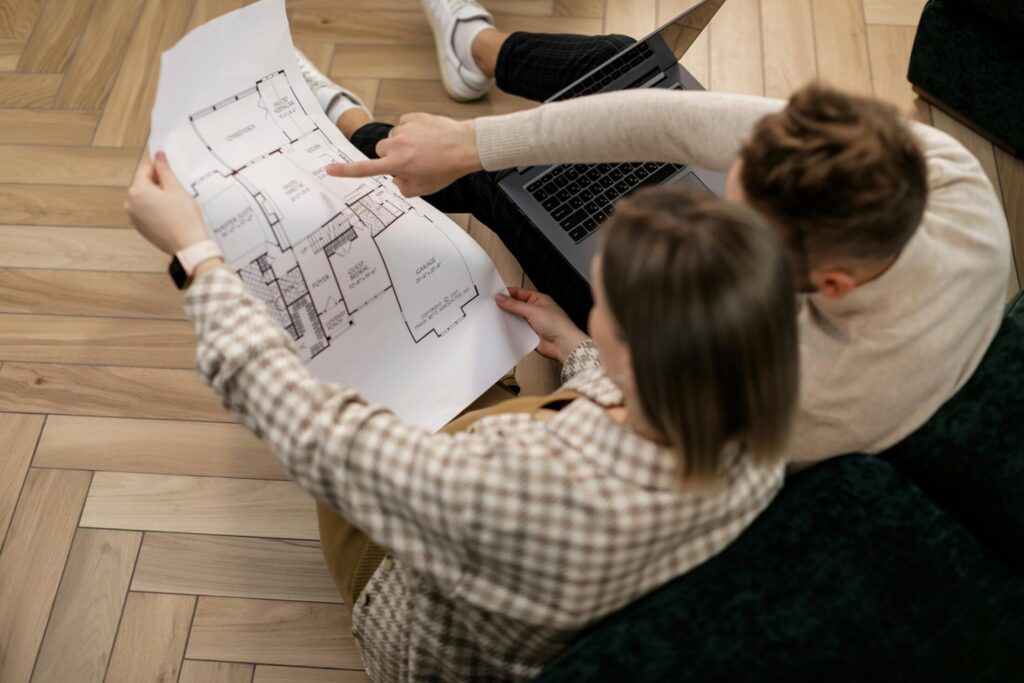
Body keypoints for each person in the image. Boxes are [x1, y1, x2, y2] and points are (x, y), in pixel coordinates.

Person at [125, 153, 799, 680]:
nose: (597, 310)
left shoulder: (513, 484)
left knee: (341, 380)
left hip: (426, 637)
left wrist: (196, 256)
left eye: (608, 308)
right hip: (558, 594)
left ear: (645, 353)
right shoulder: (764, 437)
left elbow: (310, 430)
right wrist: (584, 354)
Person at [298, 0, 1011, 465]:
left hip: (686, 355)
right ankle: (475, 48)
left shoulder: (785, 393)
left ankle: (343, 127)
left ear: (826, 286)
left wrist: (582, 348)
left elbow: (632, 422)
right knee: (625, 64)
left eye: (740, 225)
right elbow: (670, 121)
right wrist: (472, 139)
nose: (705, 206)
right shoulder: (939, 171)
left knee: (508, 185)